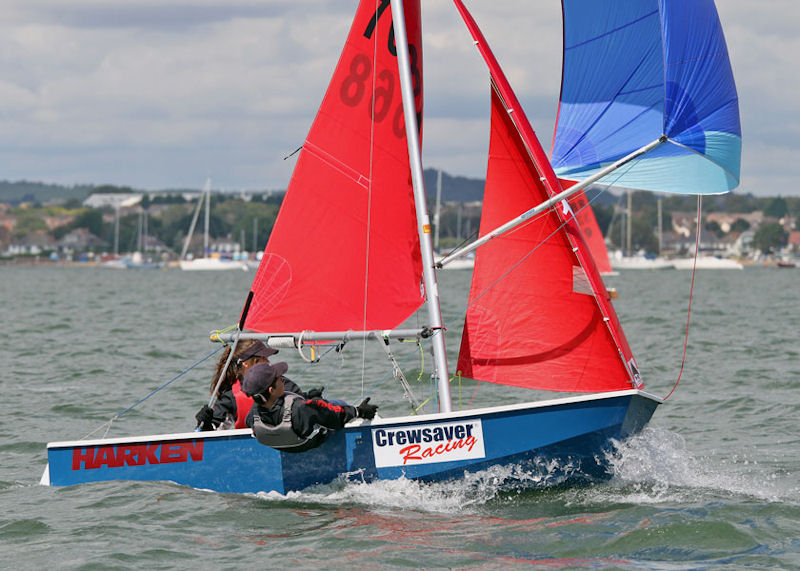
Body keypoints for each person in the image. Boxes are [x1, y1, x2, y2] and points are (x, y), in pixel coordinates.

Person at [242, 361, 378, 452]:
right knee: (338, 404)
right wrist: (359, 411)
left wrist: (307, 396)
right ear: (271, 390)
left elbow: (276, 411)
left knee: (315, 406)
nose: (282, 378)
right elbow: (335, 417)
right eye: (279, 378)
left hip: (284, 447)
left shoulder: (253, 415)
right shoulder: (301, 409)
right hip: (310, 444)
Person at [194, 340, 322, 431]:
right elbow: (216, 431)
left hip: (286, 442)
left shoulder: (283, 384)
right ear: (246, 364)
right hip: (249, 452)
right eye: (262, 359)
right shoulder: (230, 396)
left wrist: (314, 402)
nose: (268, 361)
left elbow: (302, 410)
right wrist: (205, 424)